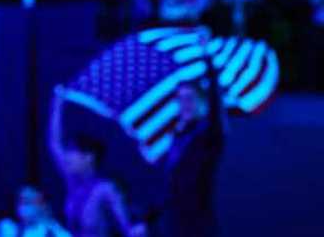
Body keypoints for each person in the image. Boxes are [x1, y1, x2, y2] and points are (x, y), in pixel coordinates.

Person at [49, 92, 145, 237]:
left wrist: (137, 230)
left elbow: (126, 228)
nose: (67, 157)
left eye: (72, 152)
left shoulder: (105, 189)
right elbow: (54, 144)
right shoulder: (73, 184)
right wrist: (57, 104)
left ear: (89, 157)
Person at [156, 41, 227, 236]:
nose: (185, 104)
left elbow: (216, 107)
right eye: (181, 99)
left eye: (190, 98)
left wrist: (208, 59)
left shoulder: (208, 135)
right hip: (176, 223)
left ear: (200, 101)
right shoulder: (178, 137)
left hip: (199, 226)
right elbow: (169, 188)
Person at [0, 185, 71, 237]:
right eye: (21, 200)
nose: (24, 205)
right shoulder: (8, 228)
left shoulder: (55, 232)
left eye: (29, 201)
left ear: (43, 205)